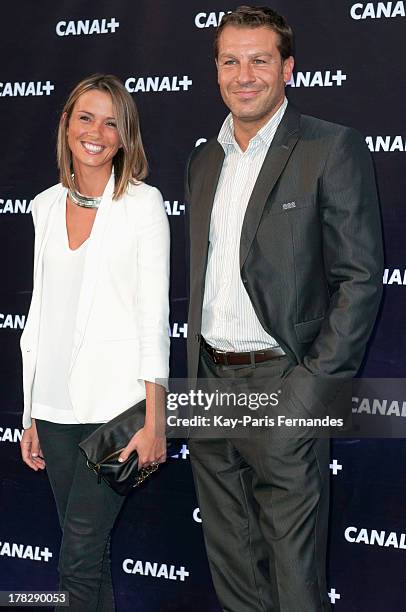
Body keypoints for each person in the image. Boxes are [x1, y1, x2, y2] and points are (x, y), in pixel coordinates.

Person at [185, 6, 383, 612]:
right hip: (211, 384)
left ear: (288, 68)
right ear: (216, 68)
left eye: (259, 60)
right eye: (230, 61)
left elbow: (359, 279)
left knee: (295, 580)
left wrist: (311, 387)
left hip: (284, 382)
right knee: (235, 571)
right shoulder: (204, 160)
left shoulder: (329, 146)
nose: (244, 74)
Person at [19, 74, 170, 611]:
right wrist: (29, 412)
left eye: (112, 122)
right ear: (66, 126)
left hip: (116, 413)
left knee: (77, 558)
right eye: (86, 117)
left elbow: (155, 317)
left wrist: (156, 421)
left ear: (125, 137)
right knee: (90, 555)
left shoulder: (143, 205)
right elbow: (41, 314)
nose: (97, 132)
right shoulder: (42, 206)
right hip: (54, 409)